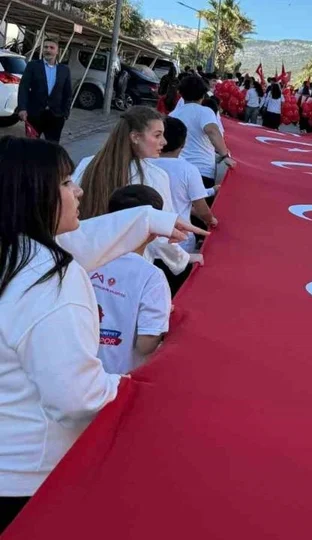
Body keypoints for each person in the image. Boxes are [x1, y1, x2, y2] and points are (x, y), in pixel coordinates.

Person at [0, 137, 204, 533]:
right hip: (29, 478)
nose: (78, 190)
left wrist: (149, 220)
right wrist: (134, 389)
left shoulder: (14, 250)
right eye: (64, 183)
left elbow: (79, 241)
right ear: (33, 195)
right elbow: (75, 395)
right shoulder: (51, 281)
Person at [73, 106, 193, 277]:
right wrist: (184, 259)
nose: (164, 142)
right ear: (135, 137)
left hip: (87, 262)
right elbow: (161, 232)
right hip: (129, 271)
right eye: (157, 135)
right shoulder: (154, 176)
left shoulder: (88, 164)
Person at [89, 185, 173, 375]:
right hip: (118, 380)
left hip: (75, 375)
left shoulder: (83, 257)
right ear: (154, 228)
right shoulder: (151, 277)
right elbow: (146, 343)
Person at [150, 116, 217, 256]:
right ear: (184, 143)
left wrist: (211, 190)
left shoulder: (143, 163)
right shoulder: (188, 169)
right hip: (178, 244)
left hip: (149, 242)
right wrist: (211, 220)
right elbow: (202, 209)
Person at [170, 75, 237, 189]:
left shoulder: (173, 115)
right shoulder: (205, 112)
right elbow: (212, 131)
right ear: (202, 94)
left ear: (181, 93)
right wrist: (225, 155)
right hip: (202, 170)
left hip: (177, 169)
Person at [16, 39, 72, 142]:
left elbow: (68, 93)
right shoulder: (33, 66)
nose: (48, 50)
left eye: (51, 48)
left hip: (56, 116)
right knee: (31, 146)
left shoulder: (64, 70)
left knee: (52, 148)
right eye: (45, 47)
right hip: (34, 114)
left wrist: (65, 113)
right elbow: (23, 88)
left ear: (57, 51)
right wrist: (22, 108)